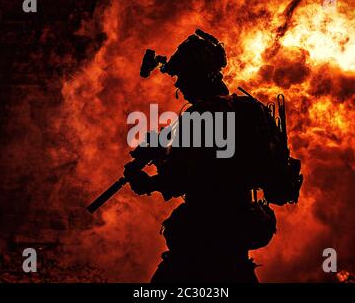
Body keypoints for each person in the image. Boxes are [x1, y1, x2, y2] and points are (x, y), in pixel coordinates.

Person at [125, 30, 303, 283]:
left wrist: (147, 180)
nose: (179, 85)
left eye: (183, 77)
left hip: (202, 238)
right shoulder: (249, 110)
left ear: (199, 75)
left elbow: (181, 178)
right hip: (238, 231)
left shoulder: (202, 115)